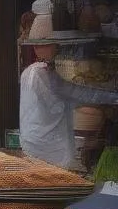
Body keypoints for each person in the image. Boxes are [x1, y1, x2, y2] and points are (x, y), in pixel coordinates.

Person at [20, 32, 118, 171]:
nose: (62, 50)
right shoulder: (49, 77)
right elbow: (84, 94)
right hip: (51, 148)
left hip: (31, 142)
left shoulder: (29, 72)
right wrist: (114, 97)